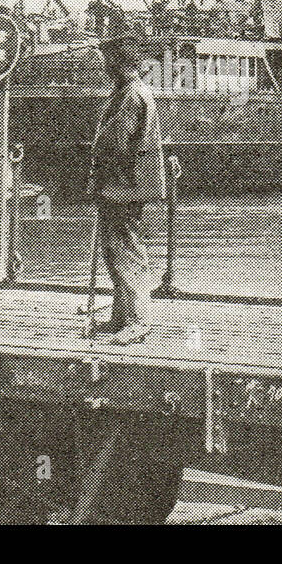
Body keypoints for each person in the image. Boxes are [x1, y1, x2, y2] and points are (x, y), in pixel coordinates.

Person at [89, 32, 166, 345]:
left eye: (108, 59)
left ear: (119, 63)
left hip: (123, 185)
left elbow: (118, 143)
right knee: (115, 249)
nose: (104, 65)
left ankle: (138, 321)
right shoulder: (126, 91)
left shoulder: (132, 95)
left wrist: (99, 171)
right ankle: (122, 316)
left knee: (126, 250)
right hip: (121, 184)